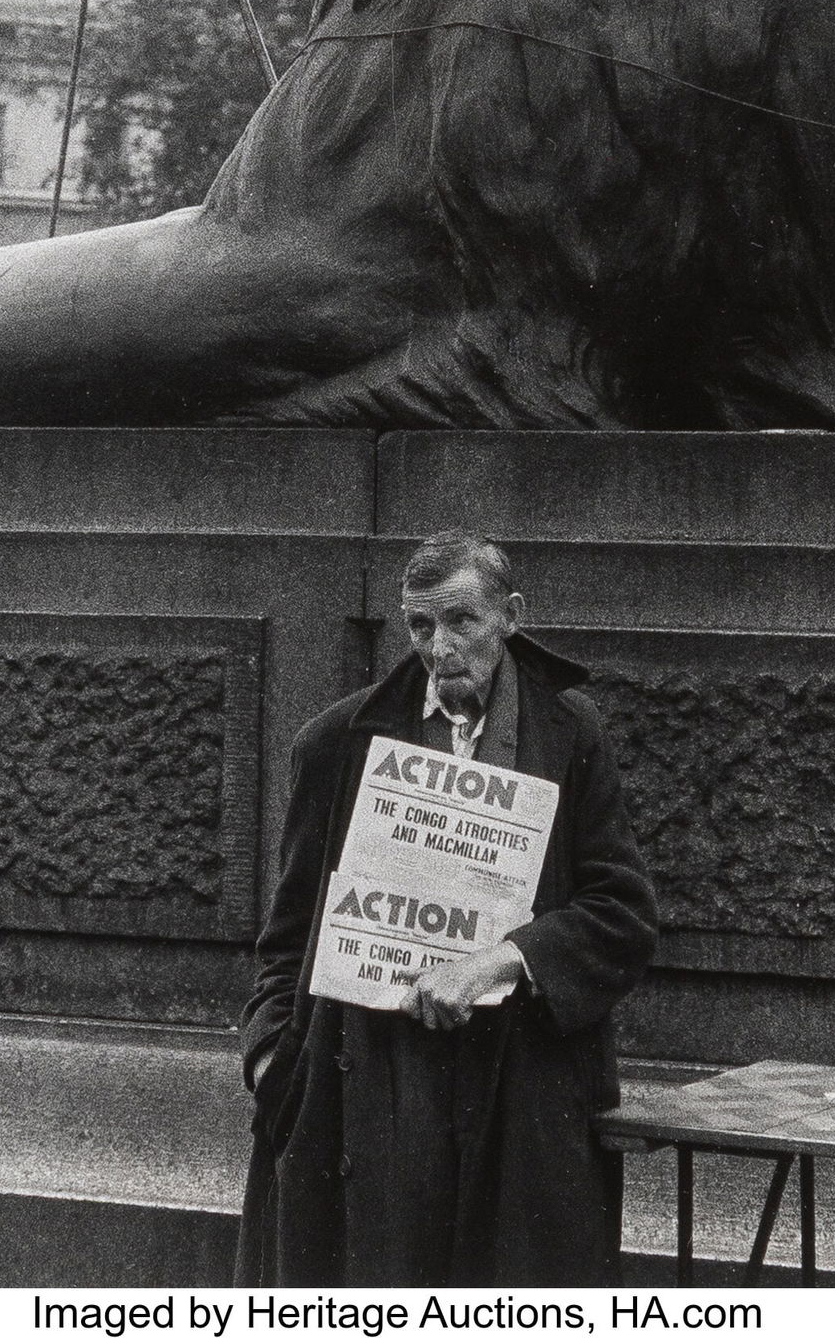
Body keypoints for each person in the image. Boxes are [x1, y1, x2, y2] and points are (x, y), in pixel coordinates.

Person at [236, 534, 659, 1286]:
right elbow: (287, 937)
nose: (440, 647)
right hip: (374, 1096)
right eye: (419, 625)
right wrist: (274, 1064)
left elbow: (622, 914)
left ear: (511, 617)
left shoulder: (570, 732)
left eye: (461, 621)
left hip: (522, 1094)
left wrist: (499, 960)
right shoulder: (337, 743)